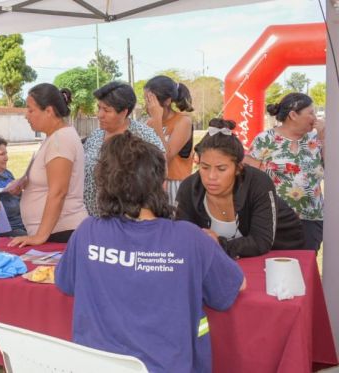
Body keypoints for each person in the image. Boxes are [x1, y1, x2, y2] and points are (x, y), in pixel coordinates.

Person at [55, 132, 245, 373]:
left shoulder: (88, 232)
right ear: (160, 183)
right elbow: (232, 287)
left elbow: (66, 283)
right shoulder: (191, 238)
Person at [176, 118, 305, 258]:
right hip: (225, 262)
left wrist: (219, 244)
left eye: (221, 169)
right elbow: (182, 237)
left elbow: (261, 241)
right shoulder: (188, 188)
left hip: (282, 255)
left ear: (238, 168)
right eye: (204, 167)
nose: (211, 176)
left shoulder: (259, 183)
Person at [9, 83, 87, 247]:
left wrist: (40, 236)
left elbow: (58, 192)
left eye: (30, 110)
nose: (26, 116)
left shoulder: (61, 140)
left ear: (49, 111)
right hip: (55, 232)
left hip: (60, 232)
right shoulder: (54, 138)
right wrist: (25, 181)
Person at [244, 93, 324, 251]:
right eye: (311, 112)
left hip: (311, 218)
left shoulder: (316, 139)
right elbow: (248, 177)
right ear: (293, 115)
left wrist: (325, 136)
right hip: (273, 219)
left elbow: (333, 167)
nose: (315, 118)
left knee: (305, 266)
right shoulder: (265, 139)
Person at [83, 81, 164, 216]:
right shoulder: (95, 136)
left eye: (107, 110)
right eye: (99, 108)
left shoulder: (145, 136)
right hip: (94, 219)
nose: (99, 115)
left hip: (129, 221)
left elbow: (160, 178)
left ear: (124, 112)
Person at [144, 75, 194, 205]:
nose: (147, 106)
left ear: (167, 101)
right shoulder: (149, 123)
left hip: (176, 184)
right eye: (146, 100)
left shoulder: (183, 121)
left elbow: (166, 156)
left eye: (151, 101)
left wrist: (157, 121)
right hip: (154, 182)